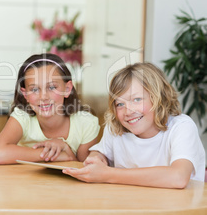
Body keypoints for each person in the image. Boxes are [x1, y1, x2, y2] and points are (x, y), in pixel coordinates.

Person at [63, 62, 206, 188]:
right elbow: (100, 152)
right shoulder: (115, 127)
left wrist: (108, 174)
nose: (128, 111)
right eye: (120, 104)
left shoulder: (181, 127)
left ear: (159, 98)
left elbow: (178, 177)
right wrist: (97, 158)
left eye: (136, 99)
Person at [0, 53, 100, 164]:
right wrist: (52, 154)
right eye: (34, 89)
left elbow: (86, 169)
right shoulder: (22, 117)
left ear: (67, 89)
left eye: (52, 87)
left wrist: (66, 150)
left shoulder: (85, 123)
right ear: (25, 95)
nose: (43, 97)